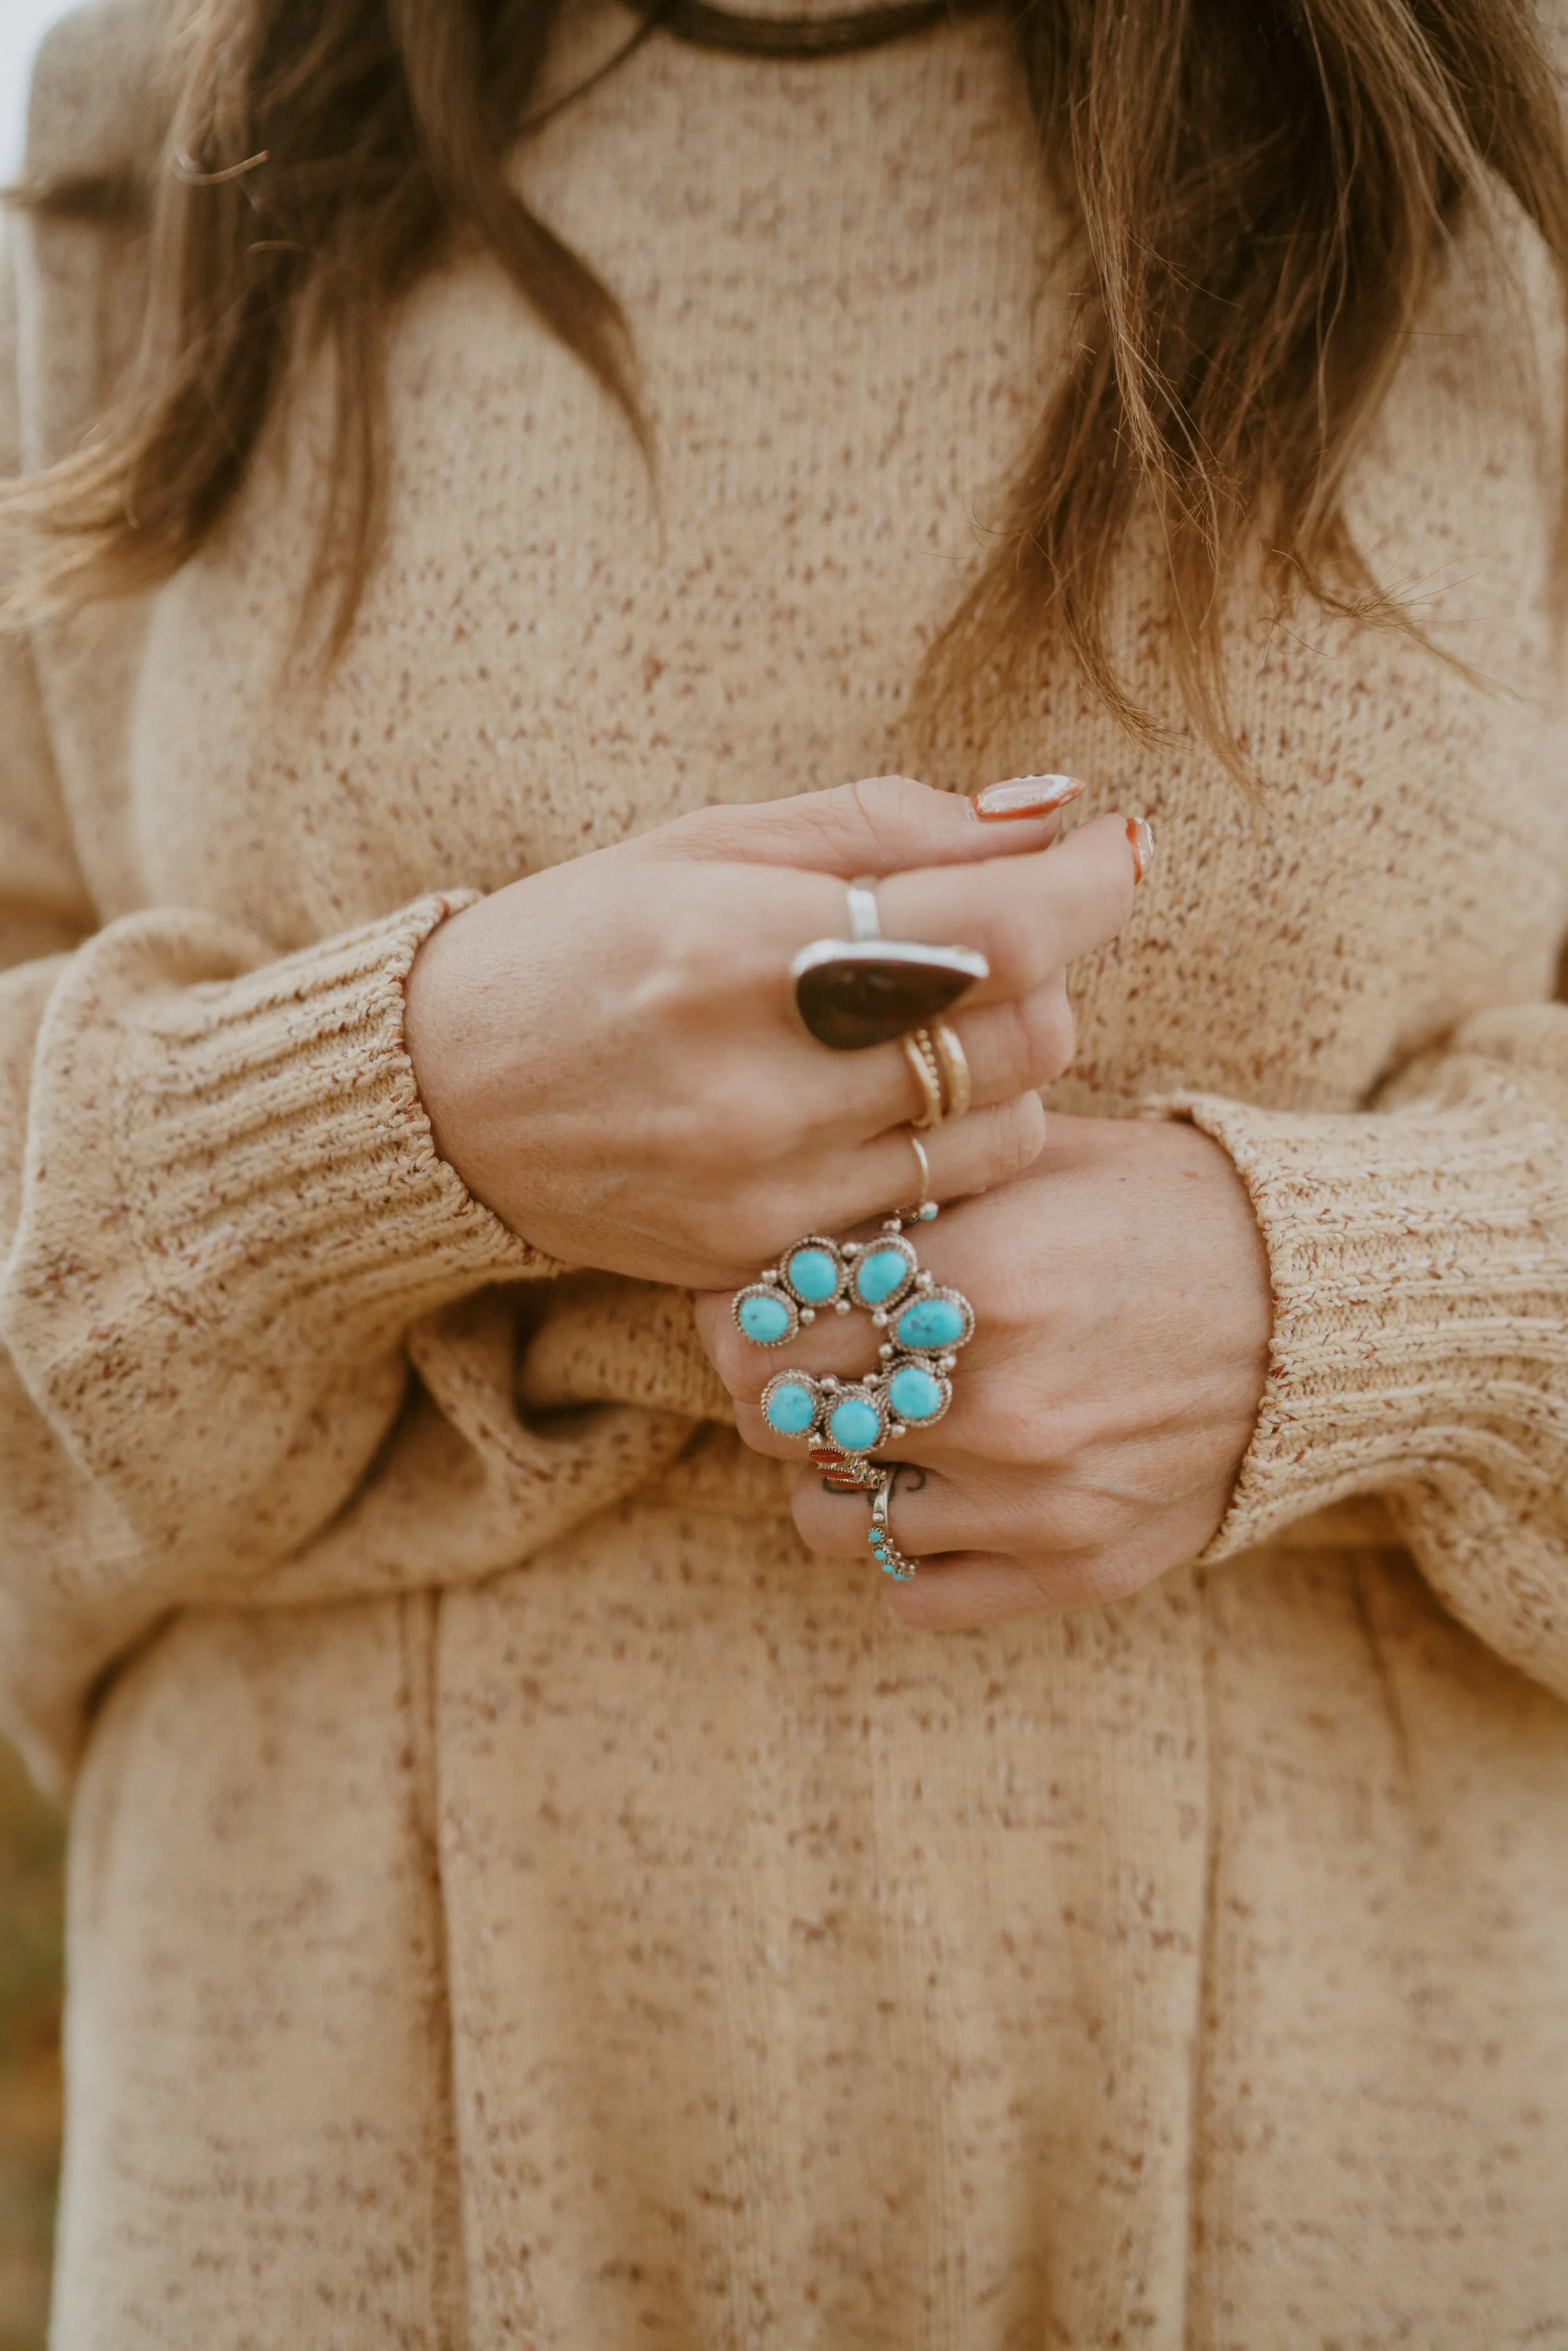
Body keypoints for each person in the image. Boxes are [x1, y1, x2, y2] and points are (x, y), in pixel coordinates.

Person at [3, 0, 1567, 2340]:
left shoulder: (1509, 115)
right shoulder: (170, 112)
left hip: (1362, 2170)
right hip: (341, 2171)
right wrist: (397, 1106)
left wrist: (1361, 1295)